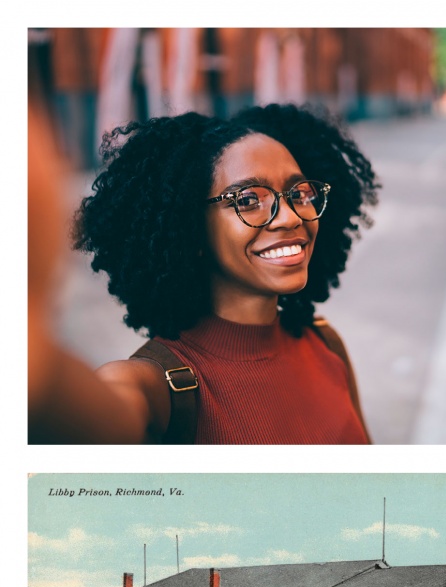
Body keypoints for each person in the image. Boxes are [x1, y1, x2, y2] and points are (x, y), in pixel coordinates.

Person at [33, 103, 379, 445]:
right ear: (192, 227)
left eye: (300, 193)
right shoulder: (155, 389)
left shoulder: (326, 345)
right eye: (247, 200)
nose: (290, 217)